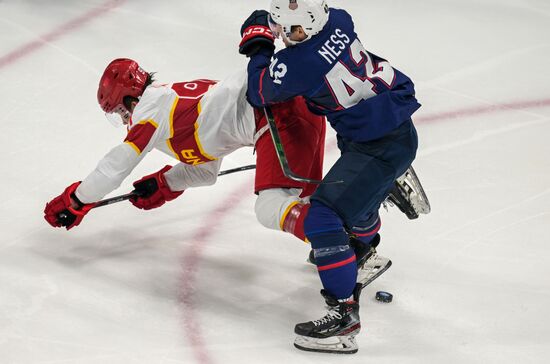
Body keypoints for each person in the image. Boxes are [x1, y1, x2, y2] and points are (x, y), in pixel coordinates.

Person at [238, 0, 421, 354]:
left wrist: (259, 46)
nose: (287, 37)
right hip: (388, 129)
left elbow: (259, 91)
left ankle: (343, 317)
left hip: (378, 146)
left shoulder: (299, 63)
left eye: (289, 31)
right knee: (351, 203)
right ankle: (365, 246)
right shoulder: (339, 19)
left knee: (323, 215)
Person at [43, 58, 326, 245]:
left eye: (119, 110)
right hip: (300, 108)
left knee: (271, 207)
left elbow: (116, 166)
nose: (123, 118)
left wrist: (77, 200)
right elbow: (206, 171)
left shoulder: (149, 111)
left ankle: (334, 243)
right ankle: (356, 240)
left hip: (277, 118)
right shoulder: (179, 102)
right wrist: (166, 183)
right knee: (309, 197)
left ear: (130, 98)